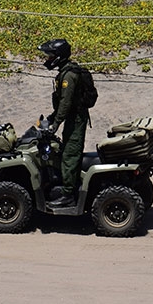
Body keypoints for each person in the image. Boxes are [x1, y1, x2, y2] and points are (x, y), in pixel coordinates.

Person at [38, 38, 91, 208]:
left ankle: (69, 195)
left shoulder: (69, 75)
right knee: (62, 151)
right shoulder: (64, 72)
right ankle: (65, 184)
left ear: (59, 57)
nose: (48, 59)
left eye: (50, 56)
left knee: (70, 154)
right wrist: (51, 118)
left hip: (75, 120)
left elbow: (66, 103)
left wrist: (55, 124)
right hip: (71, 118)